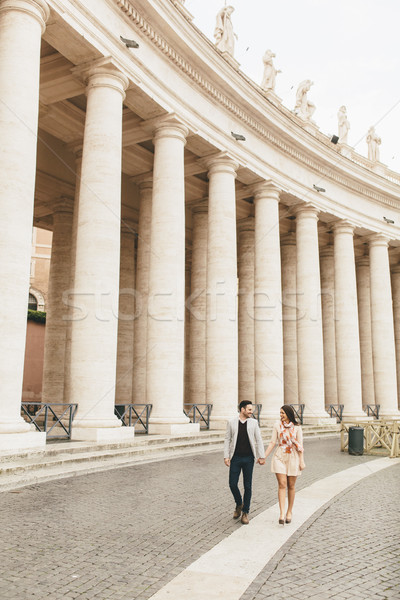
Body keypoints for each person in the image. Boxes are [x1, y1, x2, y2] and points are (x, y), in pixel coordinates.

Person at [224, 400, 265, 525]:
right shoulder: (231, 422)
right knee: (232, 484)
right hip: (235, 458)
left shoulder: (254, 423)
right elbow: (227, 439)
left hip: (248, 458)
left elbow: (258, 439)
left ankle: (245, 512)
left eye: (251, 409)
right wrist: (226, 456)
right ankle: (239, 504)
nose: (251, 412)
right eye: (249, 409)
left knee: (248, 486)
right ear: (242, 409)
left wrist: (261, 456)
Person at [264, 405, 305, 525]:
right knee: (282, 484)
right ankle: (281, 513)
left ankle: (289, 512)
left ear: (288, 413)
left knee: (291, 485)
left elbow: (300, 446)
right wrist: (264, 457)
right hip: (280, 455)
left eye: (283, 413)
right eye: (280, 413)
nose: (281, 415)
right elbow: (272, 442)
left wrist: (301, 461)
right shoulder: (277, 425)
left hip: (293, 456)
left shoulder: (297, 427)